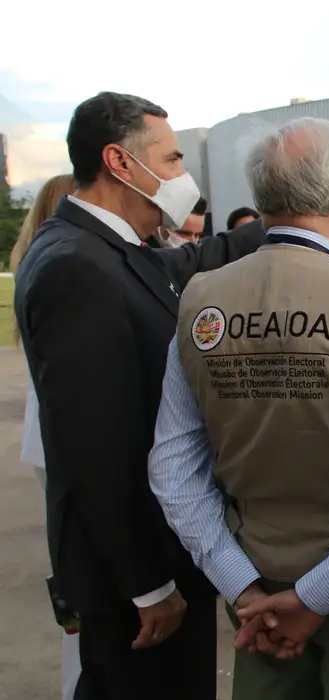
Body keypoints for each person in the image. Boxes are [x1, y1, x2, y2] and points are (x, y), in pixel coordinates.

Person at [149, 116, 329, 700]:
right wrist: (319, 596)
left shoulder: (203, 298)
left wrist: (243, 588)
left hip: (257, 578)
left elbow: (175, 470)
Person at [13, 91, 266, 700]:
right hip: (139, 581)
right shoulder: (76, 266)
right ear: (121, 164)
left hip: (159, 563)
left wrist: (287, 222)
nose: (184, 176)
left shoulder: (112, 248)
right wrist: (147, 585)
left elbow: (201, 256)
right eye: (173, 159)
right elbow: (94, 454)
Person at [10, 173, 82, 700]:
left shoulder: (39, 261)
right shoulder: (69, 268)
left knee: (74, 558)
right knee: (85, 564)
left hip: (46, 434)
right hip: (65, 435)